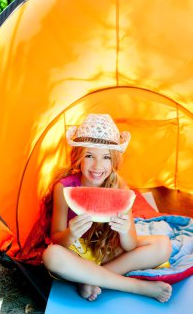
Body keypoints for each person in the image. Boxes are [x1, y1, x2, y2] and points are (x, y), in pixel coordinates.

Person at [42, 114, 172, 303]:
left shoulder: (120, 188)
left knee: (163, 245)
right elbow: (57, 238)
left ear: (114, 161)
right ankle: (138, 287)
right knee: (51, 255)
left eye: (105, 157)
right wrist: (71, 233)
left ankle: (88, 279)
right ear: (78, 157)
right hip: (74, 253)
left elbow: (130, 246)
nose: (97, 165)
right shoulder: (64, 188)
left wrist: (125, 230)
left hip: (104, 251)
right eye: (89, 156)